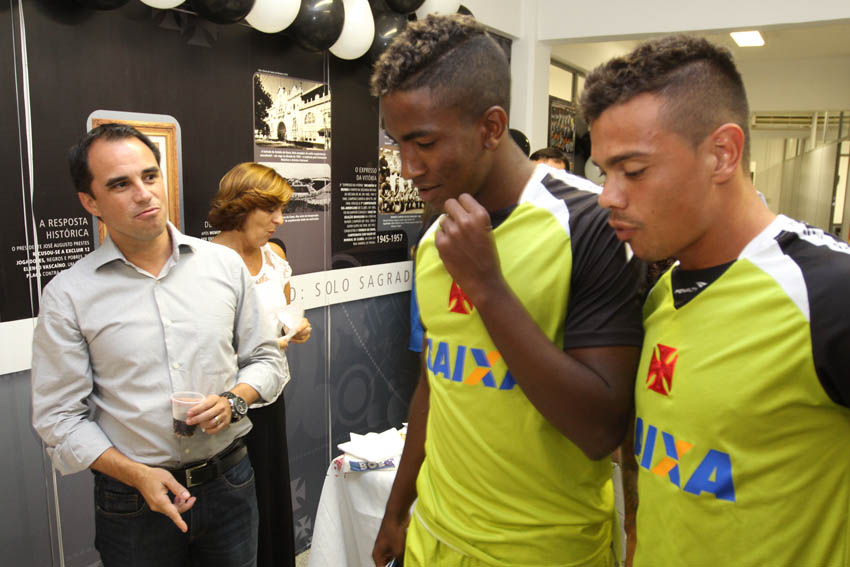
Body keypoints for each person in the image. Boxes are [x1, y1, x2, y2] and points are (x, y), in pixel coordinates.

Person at [370, 14, 644, 567]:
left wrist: (488, 288)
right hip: (435, 534)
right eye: (398, 143)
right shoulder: (438, 232)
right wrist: (397, 510)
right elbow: (434, 382)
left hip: (544, 551)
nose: (407, 167)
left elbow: (601, 430)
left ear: (492, 127)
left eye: (424, 142)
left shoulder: (590, 223)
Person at [579, 35, 850, 566]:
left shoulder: (827, 294)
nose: (608, 196)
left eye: (633, 171)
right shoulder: (664, 290)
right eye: (603, 172)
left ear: (722, 154)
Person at [31, 123, 285, 567]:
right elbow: (59, 417)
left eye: (150, 176)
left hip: (229, 483)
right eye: (120, 184)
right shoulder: (69, 294)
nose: (144, 193)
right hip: (133, 501)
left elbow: (267, 359)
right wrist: (135, 474)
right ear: (91, 202)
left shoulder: (223, 267)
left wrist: (235, 399)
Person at [207, 162, 312, 567]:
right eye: (270, 209)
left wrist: (295, 329)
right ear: (240, 206)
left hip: (269, 397)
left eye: (281, 209)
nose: (279, 220)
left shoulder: (275, 256)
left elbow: (285, 312)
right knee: (236, 510)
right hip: (225, 406)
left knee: (270, 496)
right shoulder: (205, 263)